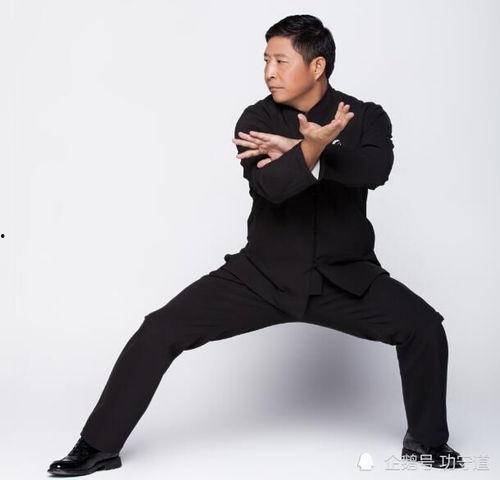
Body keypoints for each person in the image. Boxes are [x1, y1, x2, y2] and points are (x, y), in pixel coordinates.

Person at [47, 14, 464, 476]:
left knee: (425, 328)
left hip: (345, 277)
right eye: (266, 60)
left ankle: (426, 442)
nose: (269, 71)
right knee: (158, 330)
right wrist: (308, 149)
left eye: (281, 61)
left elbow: (374, 171)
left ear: (318, 66)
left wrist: (313, 150)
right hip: (261, 276)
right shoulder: (257, 119)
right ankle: (98, 445)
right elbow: (273, 188)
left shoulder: (364, 116)